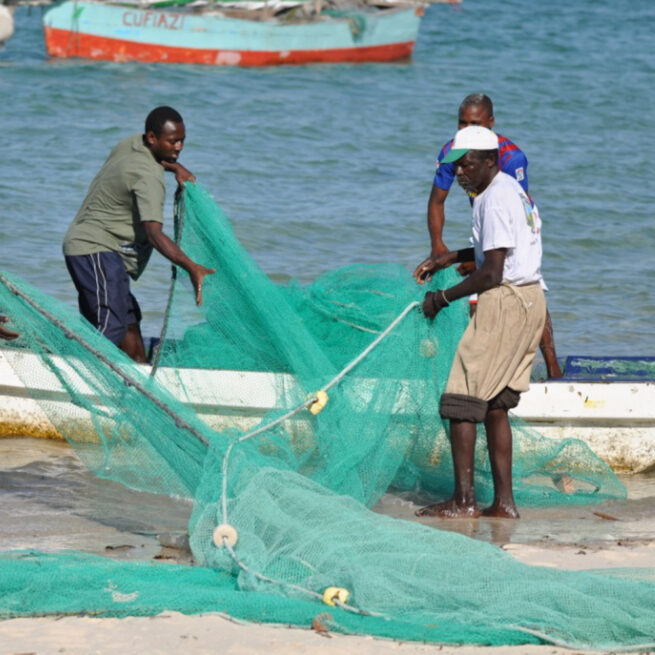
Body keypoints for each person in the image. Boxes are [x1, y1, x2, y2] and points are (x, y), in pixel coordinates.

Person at [416, 126, 547, 519]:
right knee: (493, 405)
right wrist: (451, 256)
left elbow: (491, 273)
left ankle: (464, 501)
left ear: (490, 160)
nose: (459, 173)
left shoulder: (493, 198)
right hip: (531, 300)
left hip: (506, 303)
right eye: (455, 166)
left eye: (467, 165)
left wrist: (441, 299)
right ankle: (504, 504)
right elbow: (499, 245)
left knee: (461, 399)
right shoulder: (509, 188)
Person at [413, 94, 562, 379]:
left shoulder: (509, 158)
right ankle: (481, 360)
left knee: (524, 281)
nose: (467, 130)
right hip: (486, 222)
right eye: (462, 123)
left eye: (475, 123)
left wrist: (476, 260)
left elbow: (517, 208)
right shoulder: (452, 152)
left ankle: (552, 366)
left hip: (512, 223)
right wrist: (439, 250)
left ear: (491, 123)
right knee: (481, 289)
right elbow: (436, 201)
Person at [63, 106, 215, 363]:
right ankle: (78, 377)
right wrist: (191, 267)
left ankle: (138, 377)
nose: (178, 147)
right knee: (109, 326)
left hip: (102, 250)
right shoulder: (149, 179)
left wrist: (178, 168)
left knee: (129, 323)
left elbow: (159, 156)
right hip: (93, 248)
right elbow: (154, 235)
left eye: (181, 141)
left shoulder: (131, 144)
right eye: (172, 141)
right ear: (152, 138)